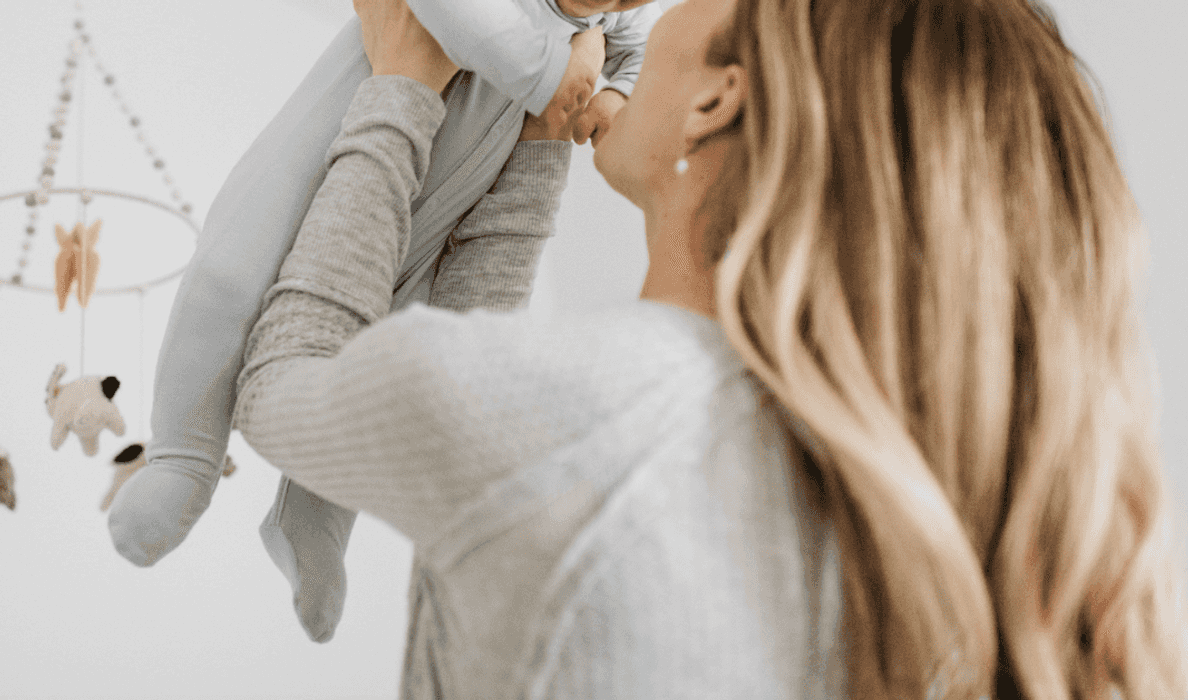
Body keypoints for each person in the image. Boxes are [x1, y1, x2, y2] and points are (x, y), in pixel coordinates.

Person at [233, 0, 1188, 697]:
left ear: (715, 100)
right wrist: (535, 143)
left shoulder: (570, 418)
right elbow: (490, 374)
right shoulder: (904, 494)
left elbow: (283, 380)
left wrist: (401, 88)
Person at [105, 0, 662, 642]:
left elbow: (639, 49)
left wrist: (615, 91)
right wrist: (554, 77)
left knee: (383, 355)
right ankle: (185, 456)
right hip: (333, 145)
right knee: (229, 277)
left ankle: (316, 518)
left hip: (437, 206)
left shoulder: (607, 23)